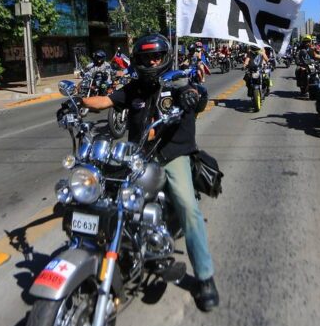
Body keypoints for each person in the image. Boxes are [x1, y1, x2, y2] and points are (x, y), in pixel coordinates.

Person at [63, 33, 219, 311]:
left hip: (172, 155)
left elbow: (196, 93)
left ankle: (205, 278)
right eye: (148, 57)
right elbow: (106, 101)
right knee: (105, 197)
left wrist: (195, 96)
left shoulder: (177, 81)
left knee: (187, 207)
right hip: (137, 158)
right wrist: (77, 101)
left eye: (157, 56)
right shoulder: (134, 88)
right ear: (139, 60)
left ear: (165, 56)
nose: (153, 60)